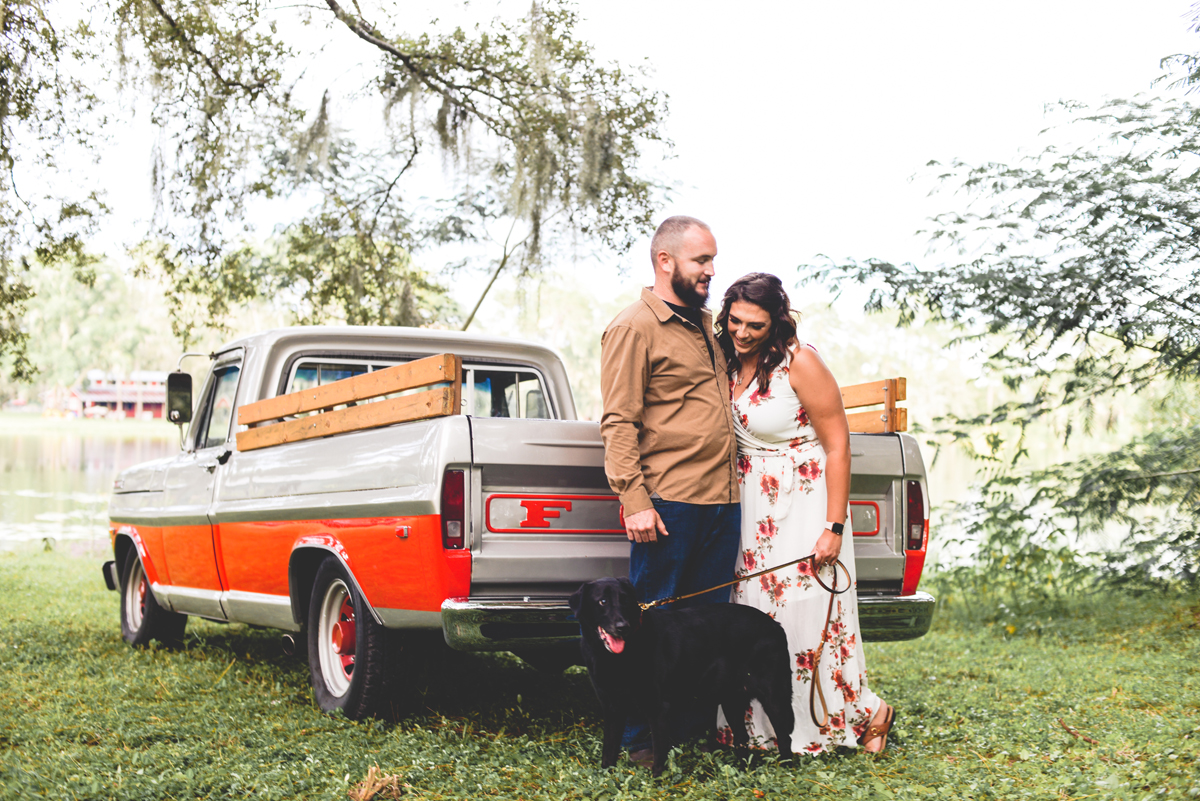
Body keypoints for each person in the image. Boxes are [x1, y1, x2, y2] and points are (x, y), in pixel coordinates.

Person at [713, 272, 895, 755]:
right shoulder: (727, 361)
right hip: (753, 503)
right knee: (753, 610)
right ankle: (760, 729)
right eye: (735, 321)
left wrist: (833, 526)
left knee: (804, 612)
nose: (743, 332)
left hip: (805, 501)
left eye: (756, 324)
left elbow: (838, 445)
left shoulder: (800, 362)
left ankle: (855, 714)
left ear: (777, 322)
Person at [599, 215, 743, 765]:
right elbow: (618, 422)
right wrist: (633, 500)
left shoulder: (708, 326)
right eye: (701, 260)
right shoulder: (634, 327)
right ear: (666, 261)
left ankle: (685, 732)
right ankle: (639, 738)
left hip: (722, 503)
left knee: (704, 631)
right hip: (669, 506)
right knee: (649, 627)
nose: (711, 271)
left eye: (712, 260)